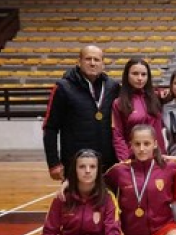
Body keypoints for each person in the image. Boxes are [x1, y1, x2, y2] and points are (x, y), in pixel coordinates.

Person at [43, 45, 120, 180]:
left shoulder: (112, 87)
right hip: (76, 163)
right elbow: (50, 127)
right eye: (88, 59)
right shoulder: (63, 88)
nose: (92, 63)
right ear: (79, 62)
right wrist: (53, 163)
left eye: (97, 59)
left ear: (103, 64)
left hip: (108, 163)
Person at [112, 58, 166, 162]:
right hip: (135, 158)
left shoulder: (156, 97)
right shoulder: (119, 103)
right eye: (135, 74)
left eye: (143, 74)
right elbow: (118, 135)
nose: (140, 78)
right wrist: (125, 160)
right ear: (127, 75)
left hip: (158, 158)